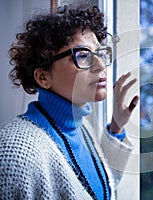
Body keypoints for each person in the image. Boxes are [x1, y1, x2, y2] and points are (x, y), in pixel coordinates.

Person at [0, 2, 139, 200]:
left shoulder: (82, 128)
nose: (100, 65)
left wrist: (116, 126)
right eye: (82, 56)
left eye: (100, 53)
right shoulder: (15, 152)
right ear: (43, 78)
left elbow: (100, 187)